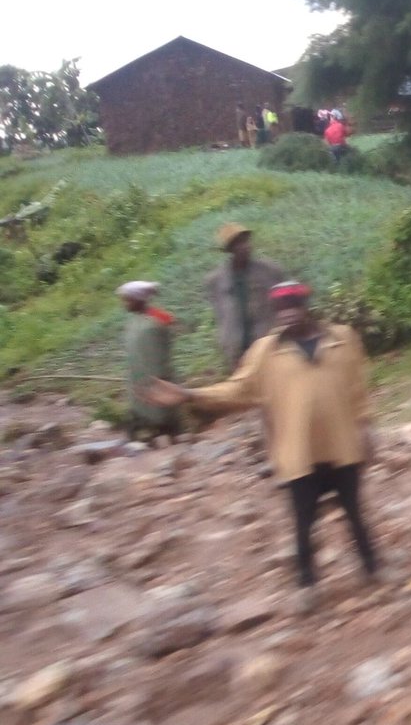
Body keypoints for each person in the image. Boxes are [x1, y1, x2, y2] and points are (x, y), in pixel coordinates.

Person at [140, 283, 381, 613]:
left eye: (294, 305)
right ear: (275, 314)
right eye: (281, 309)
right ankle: (307, 585)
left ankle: (374, 568)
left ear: (307, 305)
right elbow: (237, 390)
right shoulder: (265, 352)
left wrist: (366, 428)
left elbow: (357, 389)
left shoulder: (342, 339)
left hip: (342, 444)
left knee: (355, 513)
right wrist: (189, 394)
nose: (288, 313)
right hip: (299, 452)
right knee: (303, 523)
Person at [205, 223, 286, 371]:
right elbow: (221, 316)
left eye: (246, 241)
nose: (245, 246)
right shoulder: (216, 280)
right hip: (237, 349)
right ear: (230, 250)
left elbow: (286, 303)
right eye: (239, 244)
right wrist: (227, 342)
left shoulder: (270, 270)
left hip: (269, 342)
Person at [118, 281, 179, 440]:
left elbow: (161, 349)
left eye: (127, 300)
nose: (125, 304)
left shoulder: (155, 321)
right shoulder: (135, 322)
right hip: (139, 377)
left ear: (138, 299)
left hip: (156, 377)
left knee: (160, 410)